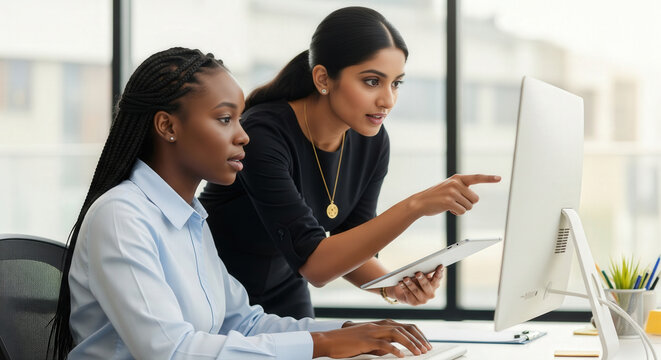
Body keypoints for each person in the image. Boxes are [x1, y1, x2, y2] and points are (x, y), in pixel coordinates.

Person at [50, 47, 434, 360]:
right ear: (167, 126)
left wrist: (348, 333)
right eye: (224, 120)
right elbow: (170, 352)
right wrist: (325, 344)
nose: (244, 136)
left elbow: (244, 322)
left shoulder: (191, 221)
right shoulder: (121, 217)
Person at [199, 6, 501, 319]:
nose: (387, 100)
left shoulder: (371, 141)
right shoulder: (263, 134)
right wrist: (415, 206)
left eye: (396, 83)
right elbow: (316, 265)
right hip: (217, 295)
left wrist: (393, 286)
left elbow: (351, 244)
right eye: (372, 81)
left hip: (285, 293)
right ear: (323, 78)